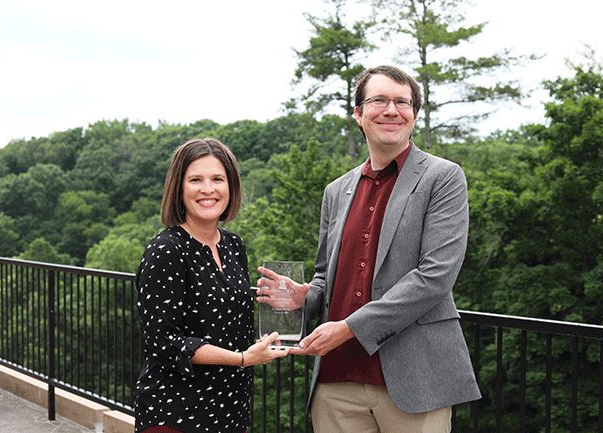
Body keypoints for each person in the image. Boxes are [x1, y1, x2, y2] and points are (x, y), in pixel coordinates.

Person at [257, 65, 481, 433]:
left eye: (402, 102)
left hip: (415, 380)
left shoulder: (444, 177)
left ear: (413, 114)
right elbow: (325, 276)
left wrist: (348, 328)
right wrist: (305, 298)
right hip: (335, 381)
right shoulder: (336, 191)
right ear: (359, 114)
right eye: (379, 100)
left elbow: (435, 276)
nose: (391, 110)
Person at [134, 138, 290, 433]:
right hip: (177, 414)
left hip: (231, 409)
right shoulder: (166, 250)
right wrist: (243, 359)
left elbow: (225, 315)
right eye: (195, 180)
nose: (208, 189)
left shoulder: (233, 245)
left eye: (217, 179)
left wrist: (283, 301)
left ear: (230, 187)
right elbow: (164, 342)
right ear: (179, 188)